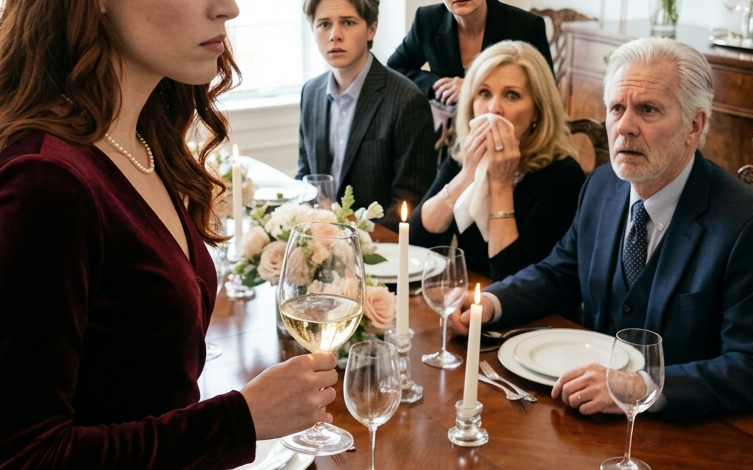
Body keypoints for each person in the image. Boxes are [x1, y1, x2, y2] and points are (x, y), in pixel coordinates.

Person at [0, 1, 339, 468]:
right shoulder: (45, 181)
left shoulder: (143, 143)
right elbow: (28, 457)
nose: (229, 8)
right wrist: (241, 419)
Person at [450, 37, 753, 420]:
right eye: (617, 108)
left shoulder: (748, 224)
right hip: (578, 417)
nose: (625, 127)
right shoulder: (602, 186)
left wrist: (641, 388)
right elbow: (560, 273)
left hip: (683, 435)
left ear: (694, 125)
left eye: (647, 109)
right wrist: (492, 303)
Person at [409, 41, 584, 282]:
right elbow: (413, 243)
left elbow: (515, 279)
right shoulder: (465, 154)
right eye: (484, 93)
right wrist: (467, 173)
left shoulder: (562, 176)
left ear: (538, 110)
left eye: (512, 95)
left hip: (521, 312)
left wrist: (501, 185)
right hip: (467, 295)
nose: (493, 108)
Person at [296, 0, 438, 231]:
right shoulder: (310, 92)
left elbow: (410, 200)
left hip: (380, 247)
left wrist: (353, 233)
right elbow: (305, 176)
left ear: (372, 28)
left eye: (348, 22)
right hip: (319, 239)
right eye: (324, 24)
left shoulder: (406, 99)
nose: (335, 35)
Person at [387, 0, 553, 105]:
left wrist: (473, 87)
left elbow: (545, 88)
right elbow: (395, 68)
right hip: (448, 135)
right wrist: (437, 84)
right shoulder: (427, 19)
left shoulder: (526, 26)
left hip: (509, 128)